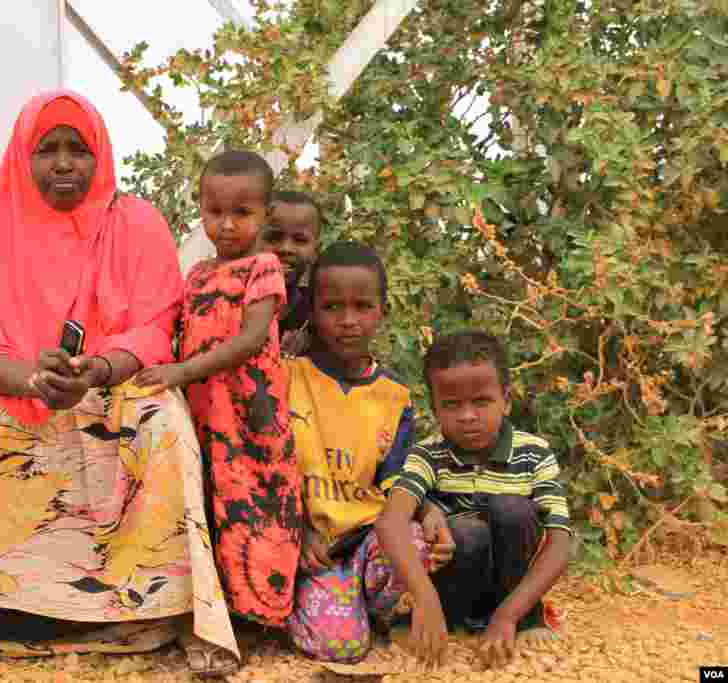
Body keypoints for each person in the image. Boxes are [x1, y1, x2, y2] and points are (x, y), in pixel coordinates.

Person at [0, 90, 238, 668]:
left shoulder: (137, 223)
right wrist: (30, 379)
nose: (62, 163)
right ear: (22, 158)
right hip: (14, 392)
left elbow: (156, 328)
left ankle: (162, 610)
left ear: (99, 155)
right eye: (46, 149)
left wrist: (97, 371)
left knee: (163, 418)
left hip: (107, 390)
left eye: (77, 149)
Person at [135, 150, 302, 676]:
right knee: (208, 500)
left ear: (266, 213)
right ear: (201, 209)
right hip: (207, 412)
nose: (226, 224)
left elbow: (252, 341)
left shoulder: (264, 267)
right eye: (214, 211)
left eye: (242, 212)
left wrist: (181, 374)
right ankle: (212, 611)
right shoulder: (199, 273)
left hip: (250, 411)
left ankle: (258, 616)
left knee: (254, 502)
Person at [283, 242, 454, 663]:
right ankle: (334, 607)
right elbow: (269, 469)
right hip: (314, 546)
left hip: (371, 540)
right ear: (313, 310)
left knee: (422, 543)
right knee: (339, 646)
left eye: (362, 306)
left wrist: (429, 512)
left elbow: (396, 480)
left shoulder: (393, 396)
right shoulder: (287, 377)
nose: (348, 321)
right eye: (332, 307)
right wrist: (299, 530)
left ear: (382, 310)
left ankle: (378, 611)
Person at [378, 330, 572, 669]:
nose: (467, 416)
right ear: (435, 407)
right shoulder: (428, 454)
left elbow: (559, 542)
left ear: (506, 399)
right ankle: (453, 621)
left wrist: (509, 616)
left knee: (511, 508)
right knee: (467, 533)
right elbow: (391, 521)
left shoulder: (534, 453)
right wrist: (425, 599)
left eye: (481, 401)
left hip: (514, 593)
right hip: (455, 585)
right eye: (452, 405)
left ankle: (525, 620)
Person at [256, 190, 321, 355]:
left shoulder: (316, 314)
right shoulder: (224, 303)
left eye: (300, 240)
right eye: (273, 237)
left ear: (315, 250)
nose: (285, 248)